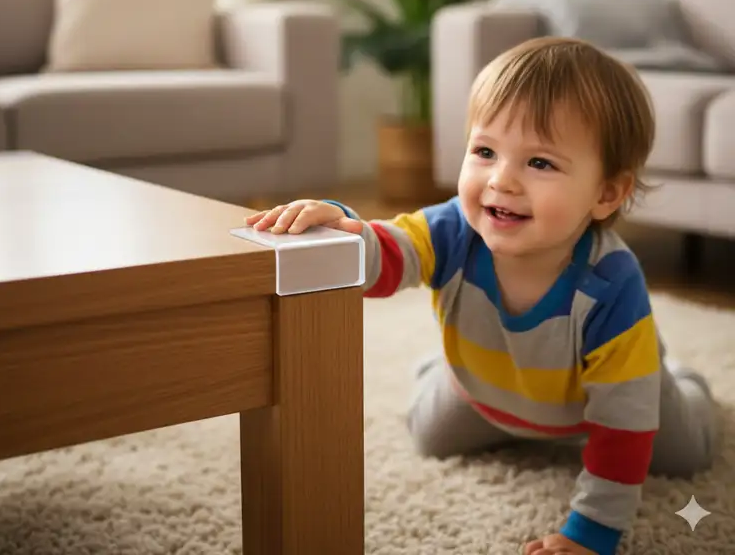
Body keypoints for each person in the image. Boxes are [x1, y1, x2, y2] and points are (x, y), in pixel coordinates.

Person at [244, 36, 718, 555]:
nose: (502, 180)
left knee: (686, 451)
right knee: (428, 435)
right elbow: (386, 256)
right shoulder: (452, 230)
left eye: (540, 163)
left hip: (603, 401)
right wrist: (341, 229)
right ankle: (442, 367)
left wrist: (591, 532)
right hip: (485, 389)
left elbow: (624, 426)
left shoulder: (611, 284)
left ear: (606, 193)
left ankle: (676, 377)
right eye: (485, 151)